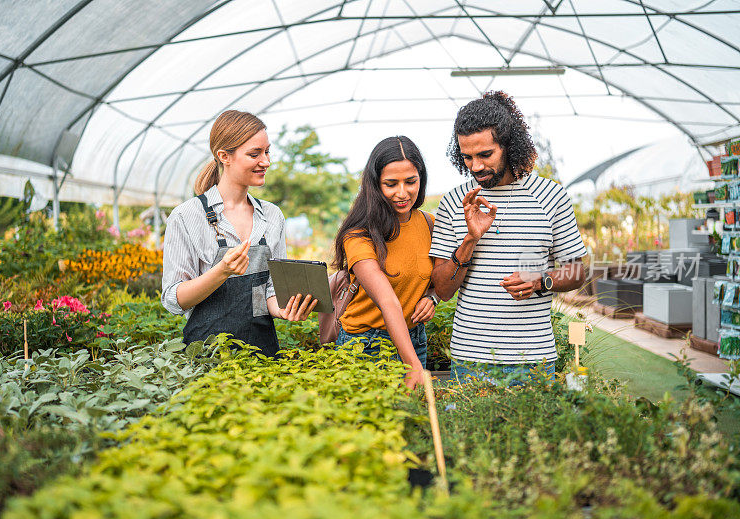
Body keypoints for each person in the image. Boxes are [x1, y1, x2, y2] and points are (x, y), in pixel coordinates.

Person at [429, 91, 587, 384]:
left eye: (485, 155)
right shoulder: (453, 202)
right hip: (470, 357)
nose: (475, 166)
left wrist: (540, 281)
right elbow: (443, 289)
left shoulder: (551, 197)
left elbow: (577, 272)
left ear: (509, 145)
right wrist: (470, 240)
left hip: (534, 358)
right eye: (467, 157)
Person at [161, 110, 316, 358]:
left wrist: (285, 309)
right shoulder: (187, 216)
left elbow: (267, 293)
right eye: (254, 154)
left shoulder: (272, 216)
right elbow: (174, 299)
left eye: (267, 152)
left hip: (262, 354)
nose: (265, 161)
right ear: (224, 156)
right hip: (206, 357)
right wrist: (221, 271)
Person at [333, 136, 437, 389]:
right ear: (375, 185)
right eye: (391, 184)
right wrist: (412, 364)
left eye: (411, 181)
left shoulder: (428, 224)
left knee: (410, 423)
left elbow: (435, 277)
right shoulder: (359, 234)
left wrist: (432, 296)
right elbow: (387, 300)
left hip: (414, 339)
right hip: (364, 344)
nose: (402, 193)